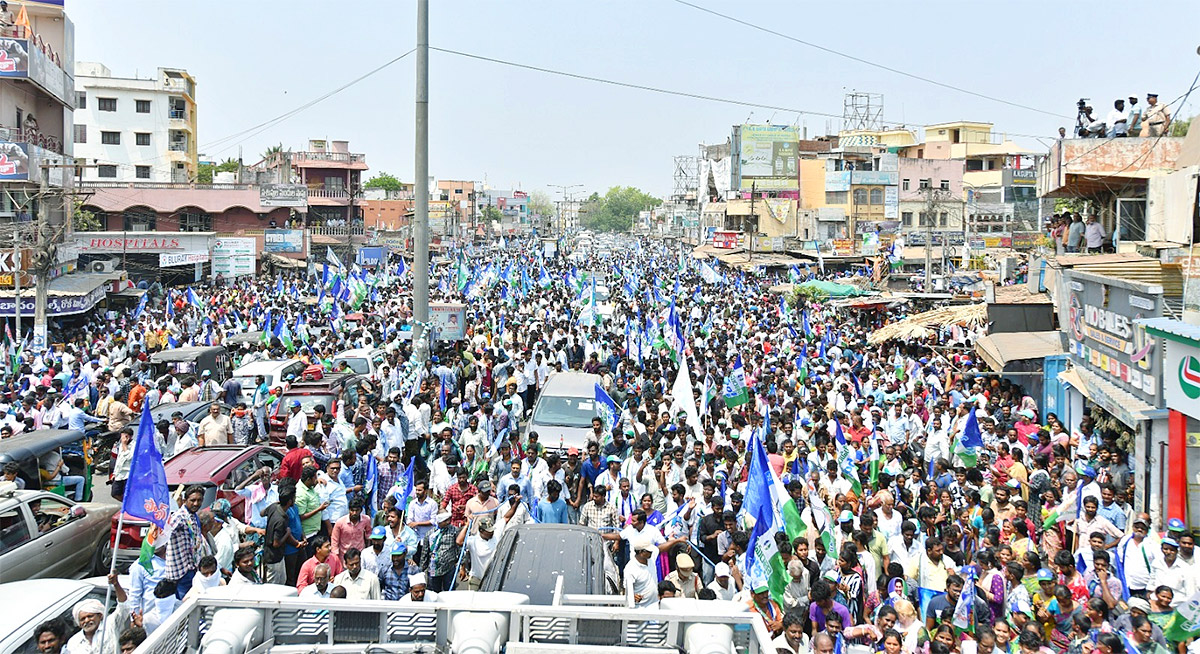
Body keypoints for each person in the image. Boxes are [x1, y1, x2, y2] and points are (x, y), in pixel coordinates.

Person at [65, 574, 129, 654]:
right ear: (79, 623)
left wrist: (116, 584)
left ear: (100, 616)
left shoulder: (110, 625)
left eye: (90, 616)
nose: (87, 620)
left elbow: (124, 606)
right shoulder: (73, 642)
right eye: (82, 619)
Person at [625, 541, 659, 609]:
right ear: (641, 552)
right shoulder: (630, 569)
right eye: (649, 551)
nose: (651, 552)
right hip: (640, 609)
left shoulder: (651, 558)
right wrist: (633, 597)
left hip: (655, 606)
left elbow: (658, 549)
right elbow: (627, 589)